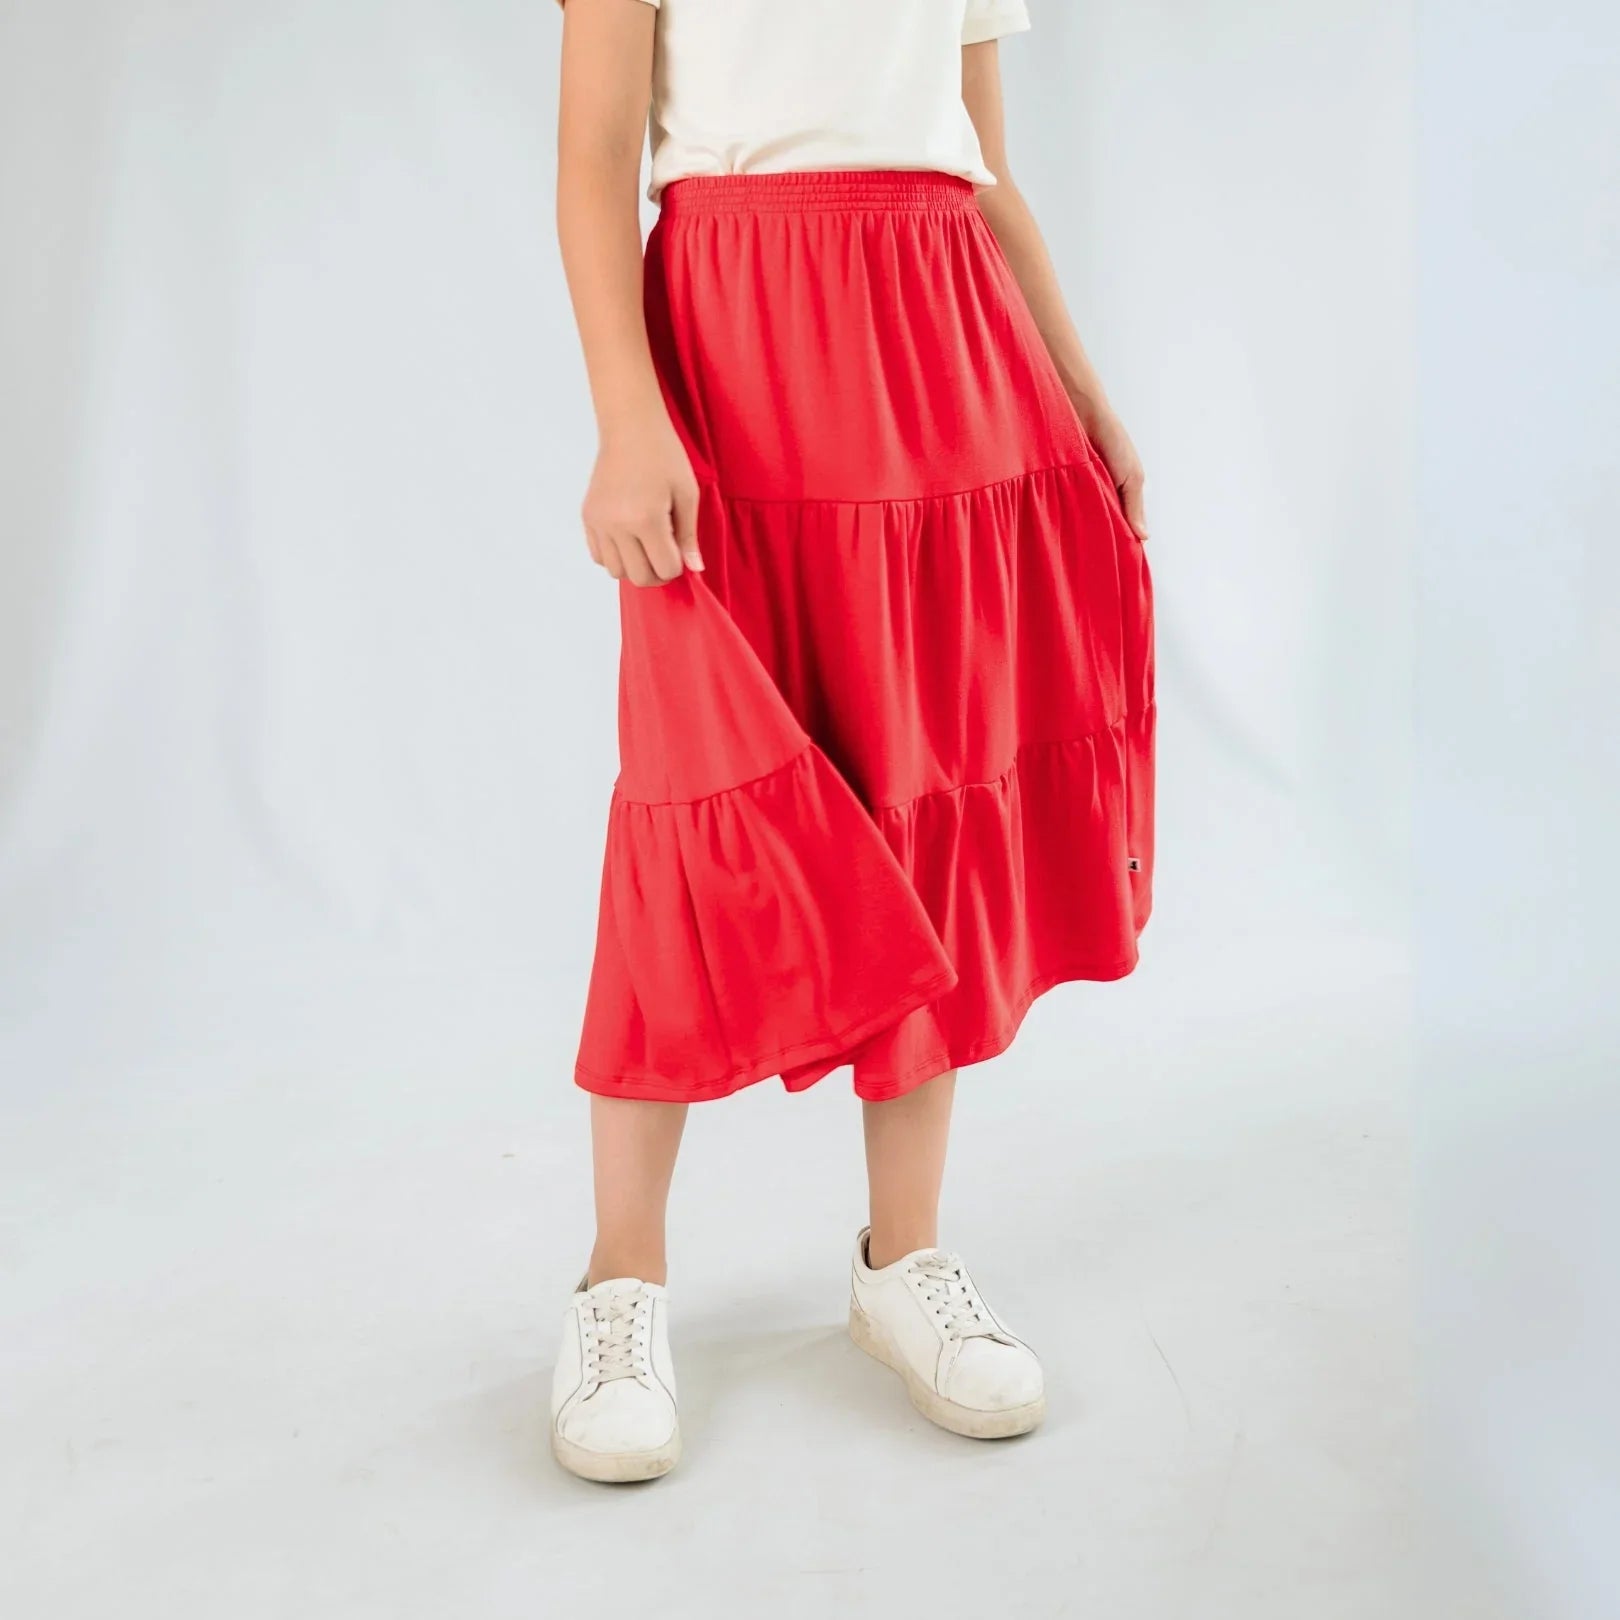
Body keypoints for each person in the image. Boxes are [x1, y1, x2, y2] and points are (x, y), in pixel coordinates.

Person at [550, 0, 1155, 1484]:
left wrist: (1079, 387)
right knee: (696, 795)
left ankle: (905, 1261)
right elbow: (593, 158)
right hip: (735, 340)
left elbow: (983, 170)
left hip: (949, 352)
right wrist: (628, 421)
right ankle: (619, 1284)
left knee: (920, 793)